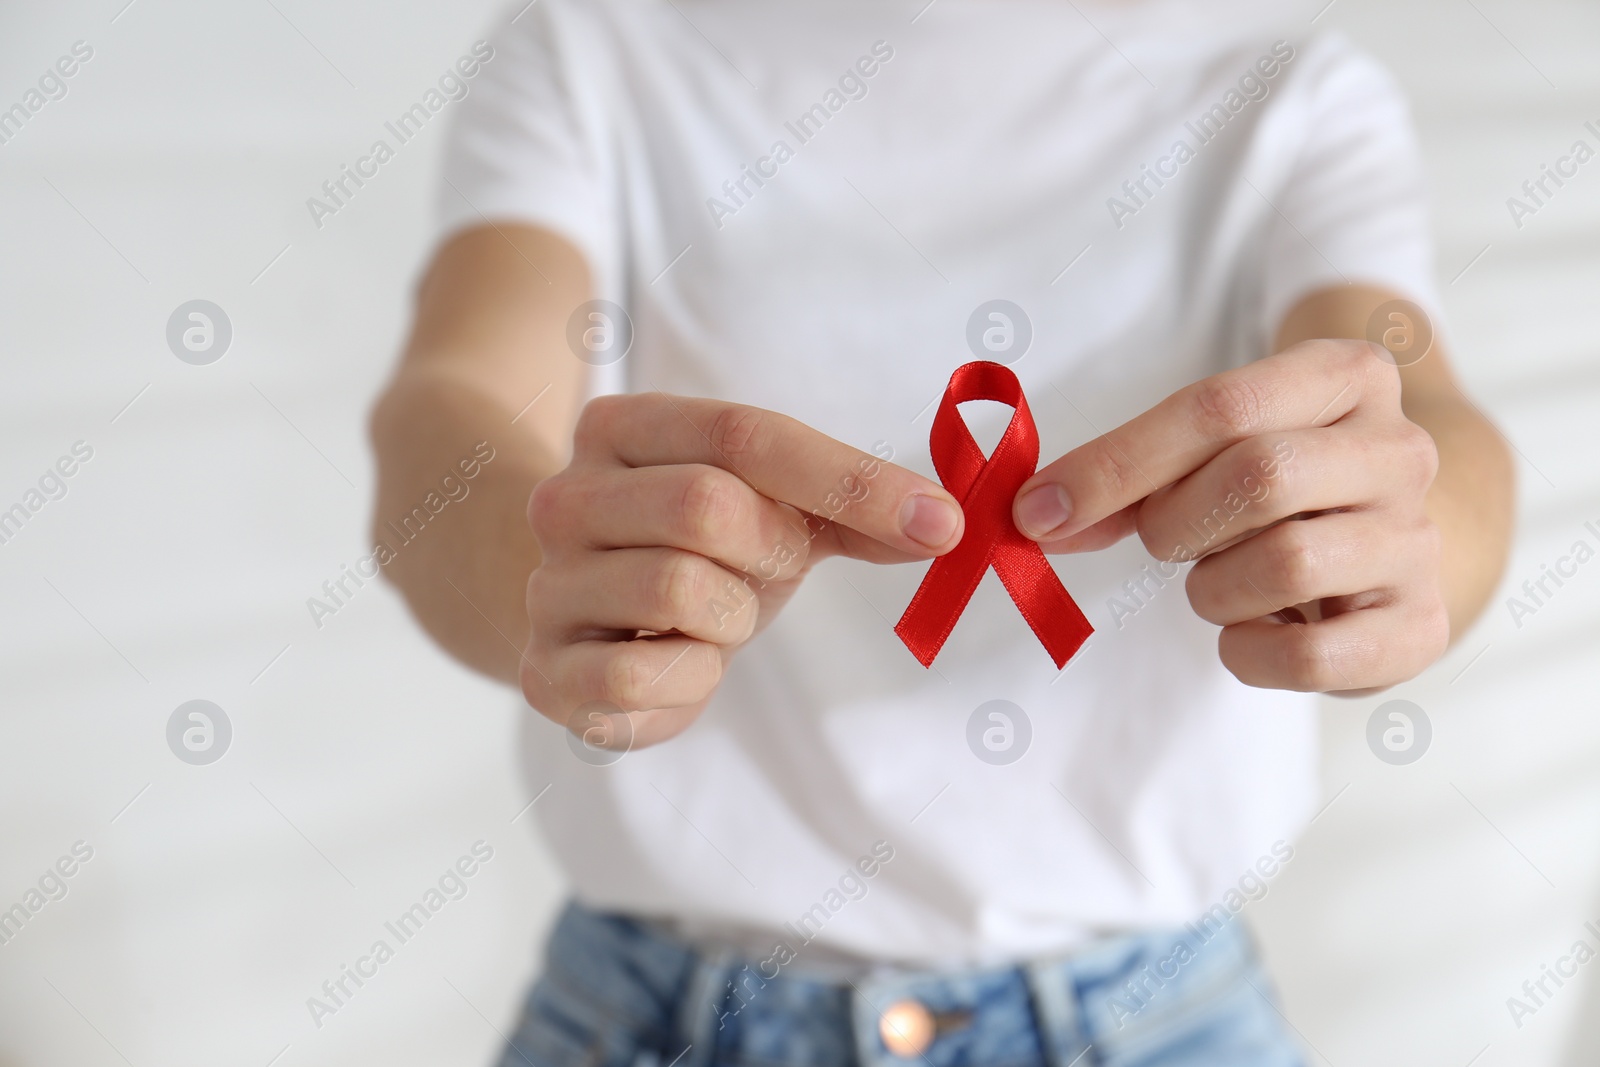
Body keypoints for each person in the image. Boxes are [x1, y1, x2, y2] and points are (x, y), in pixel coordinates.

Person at [369, 1, 1513, 1063]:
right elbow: (455, 401)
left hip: (1163, 1021)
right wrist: (546, 578)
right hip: (652, 1015)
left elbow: (1421, 418)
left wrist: (1404, 544)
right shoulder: (589, 45)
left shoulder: (1288, 87)